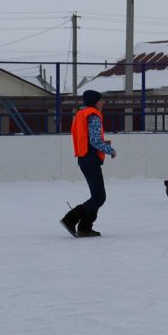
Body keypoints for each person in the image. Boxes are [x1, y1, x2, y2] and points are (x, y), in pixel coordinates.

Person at [62, 89, 116, 237]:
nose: (103, 102)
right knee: (99, 197)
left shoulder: (81, 114)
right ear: (94, 102)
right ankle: (70, 219)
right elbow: (95, 140)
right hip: (90, 158)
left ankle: (85, 227)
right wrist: (110, 150)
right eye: (101, 100)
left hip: (84, 158)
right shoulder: (93, 115)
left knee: (97, 196)